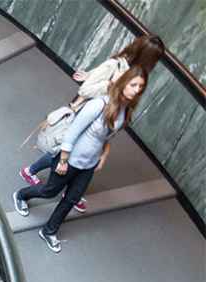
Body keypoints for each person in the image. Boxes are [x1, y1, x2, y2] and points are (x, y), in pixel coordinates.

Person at [20, 35, 163, 213]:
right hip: (88, 113)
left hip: (104, 118)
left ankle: (70, 191)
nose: (154, 64)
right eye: (154, 59)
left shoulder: (136, 73)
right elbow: (85, 89)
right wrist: (112, 85)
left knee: (80, 153)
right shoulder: (116, 65)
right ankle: (32, 172)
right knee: (66, 148)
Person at [13, 68, 147, 253]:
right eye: (133, 85)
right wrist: (62, 160)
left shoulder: (125, 111)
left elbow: (108, 136)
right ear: (123, 82)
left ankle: (49, 231)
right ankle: (21, 195)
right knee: (49, 191)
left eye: (141, 86)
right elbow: (72, 132)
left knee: (71, 199)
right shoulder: (99, 104)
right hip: (71, 159)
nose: (137, 90)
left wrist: (103, 155)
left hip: (88, 164)